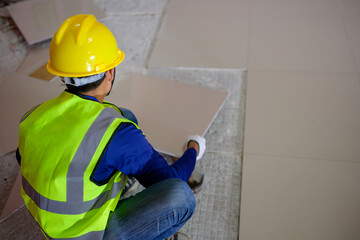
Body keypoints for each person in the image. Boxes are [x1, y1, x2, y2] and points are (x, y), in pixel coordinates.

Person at [16, 14, 206, 240]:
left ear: (64, 76)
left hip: (48, 223)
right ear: (110, 72)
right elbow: (171, 181)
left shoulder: (33, 116)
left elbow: (25, 159)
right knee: (181, 197)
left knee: (125, 116)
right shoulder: (118, 135)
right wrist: (194, 149)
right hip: (86, 234)